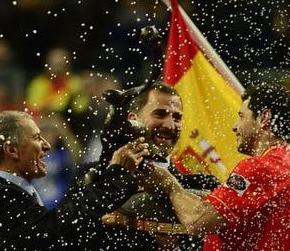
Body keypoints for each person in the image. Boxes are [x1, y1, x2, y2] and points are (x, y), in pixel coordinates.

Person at [142, 83, 290, 250]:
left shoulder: (264, 167)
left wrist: (170, 185)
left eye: (242, 116)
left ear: (264, 118)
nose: (235, 127)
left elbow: (197, 221)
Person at [0, 110, 149, 250]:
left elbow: (60, 221)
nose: (47, 145)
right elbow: (60, 228)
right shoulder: (1, 196)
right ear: (12, 150)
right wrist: (117, 176)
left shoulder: (3, 191)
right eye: (36, 138)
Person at [87, 81, 219, 250]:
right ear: (134, 120)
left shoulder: (203, 184)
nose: (170, 126)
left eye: (177, 118)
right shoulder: (93, 178)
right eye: (160, 114)